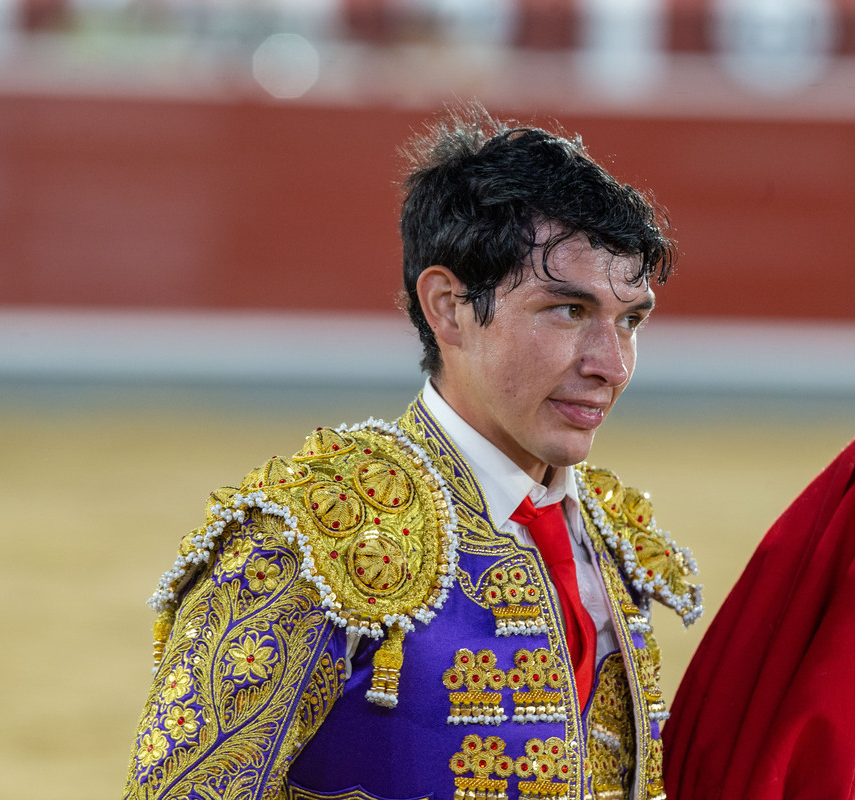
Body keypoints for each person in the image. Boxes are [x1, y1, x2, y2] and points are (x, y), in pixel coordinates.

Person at [121, 105, 702, 800]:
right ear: (450, 308)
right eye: (568, 311)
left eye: (630, 320)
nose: (611, 364)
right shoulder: (310, 537)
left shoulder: (611, 539)